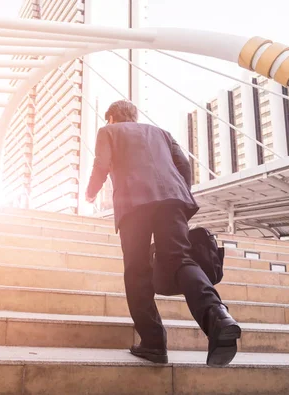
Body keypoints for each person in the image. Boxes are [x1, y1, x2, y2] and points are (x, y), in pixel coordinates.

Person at [85, 100, 241, 366]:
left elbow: (102, 163)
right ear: (134, 116)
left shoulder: (108, 132)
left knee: (137, 271)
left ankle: (154, 342)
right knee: (180, 259)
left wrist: (90, 192)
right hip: (173, 200)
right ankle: (217, 316)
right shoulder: (162, 133)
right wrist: (178, 191)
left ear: (111, 117)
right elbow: (185, 166)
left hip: (134, 203)